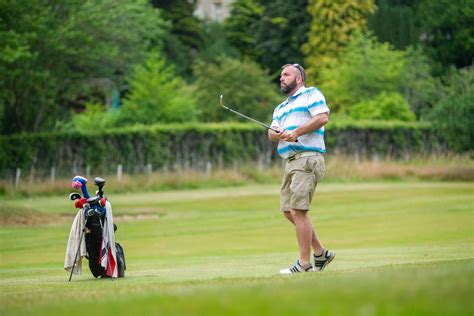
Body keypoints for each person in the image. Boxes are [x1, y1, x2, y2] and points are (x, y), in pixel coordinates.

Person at [268, 63, 335, 274]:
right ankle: (321, 253)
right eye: (281, 75)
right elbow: (271, 133)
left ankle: (304, 264)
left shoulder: (311, 94)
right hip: (290, 161)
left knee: (298, 210)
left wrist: (296, 132)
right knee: (289, 211)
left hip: (307, 158)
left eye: (286, 75)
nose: (282, 78)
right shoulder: (280, 107)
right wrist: (277, 132)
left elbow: (322, 117)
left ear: (299, 79)